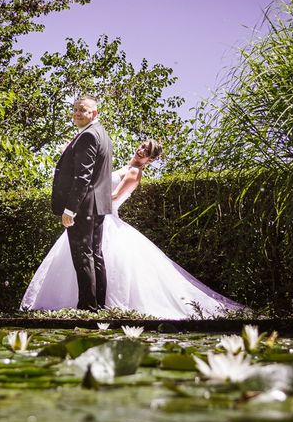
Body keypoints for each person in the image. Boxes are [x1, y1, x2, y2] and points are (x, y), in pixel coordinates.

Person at [22, 138, 245, 319]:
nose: (141, 151)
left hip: (106, 219)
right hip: (95, 216)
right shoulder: (126, 166)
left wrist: (84, 196)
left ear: (150, 159)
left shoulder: (134, 173)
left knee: (102, 261)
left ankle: (99, 305)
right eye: (142, 146)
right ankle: (78, 304)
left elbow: (114, 196)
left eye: (146, 151)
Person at [50, 95, 113, 310]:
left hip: (84, 206)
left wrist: (70, 209)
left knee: (83, 255)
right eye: (75, 109)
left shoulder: (88, 136)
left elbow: (82, 176)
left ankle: (88, 307)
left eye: (82, 110)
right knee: (94, 253)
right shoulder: (102, 134)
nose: (77, 113)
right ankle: (99, 306)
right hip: (98, 206)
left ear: (93, 113)